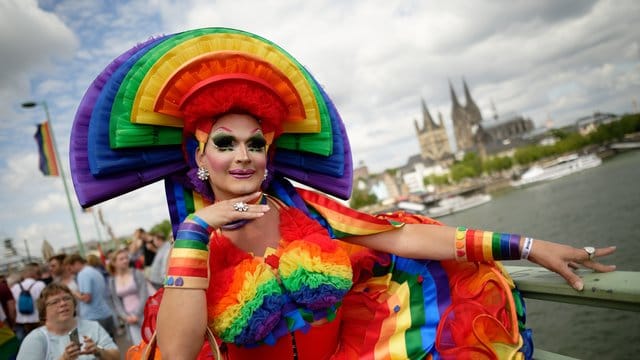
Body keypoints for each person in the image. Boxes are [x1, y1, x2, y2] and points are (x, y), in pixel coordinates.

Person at [71, 28, 616, 360]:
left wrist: (528, 247)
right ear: (200, 156)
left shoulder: (306, 213)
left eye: (255, 143)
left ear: (269, 153)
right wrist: (194, 229)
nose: (243, 155)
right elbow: (182, 352)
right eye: (225, 142)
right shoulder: (194, 250)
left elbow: (407, 237)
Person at [16, 283, 119, 360]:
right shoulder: (36, 339)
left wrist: (99, 352)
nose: (63, 304)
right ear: (44, 311)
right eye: (55, 302)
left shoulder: (92, 326)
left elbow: (116, 356)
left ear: (74, 304)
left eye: (66, 298)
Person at [64, 254, 116, 339]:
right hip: (105, 314)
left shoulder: (83, 274)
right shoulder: (94, 270)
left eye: (70, 268)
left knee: (99, 348)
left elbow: (86, 298)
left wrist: (72, 292)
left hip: (94, 317)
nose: (70, 271)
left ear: (76, 263)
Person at [107, 248, 150, 345]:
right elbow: (116, 301)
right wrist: (125, 317)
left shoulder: (137, 273)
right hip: (129, 320)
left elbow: (144, 295)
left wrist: (136, 314)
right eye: (121, 259)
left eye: (126, 258)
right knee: (139, 346)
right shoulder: (112, 281)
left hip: (144, 314)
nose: (125, 260)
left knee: (152, 343)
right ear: (114, 263)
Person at [10, 263, 46, 343]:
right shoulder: (40, 284)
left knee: (24, 344)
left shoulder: (15, 287)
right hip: (37, 320)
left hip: (21, 321)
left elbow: (12, 308)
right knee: (42, 343)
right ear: (34, 273)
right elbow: (44, 302)